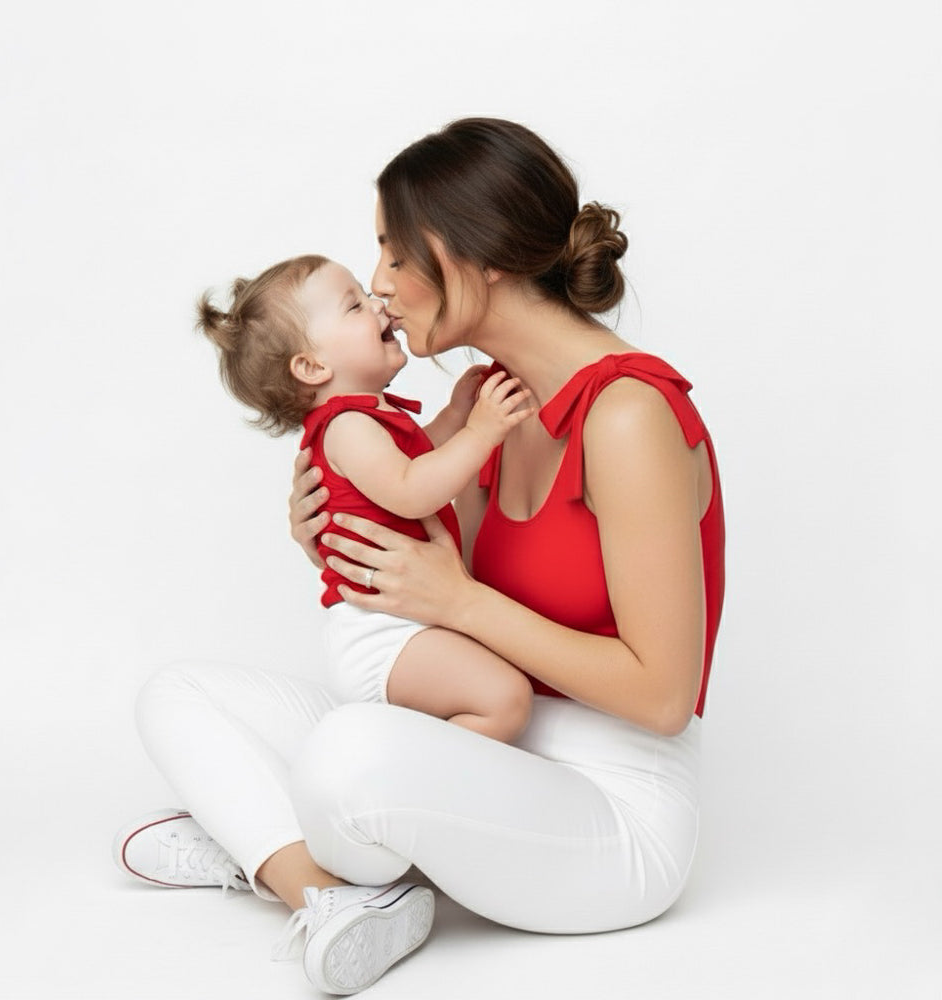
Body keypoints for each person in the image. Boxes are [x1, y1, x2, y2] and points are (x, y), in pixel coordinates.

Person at [114, 117, 725, 997]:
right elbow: (442, 585)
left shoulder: (628, 415)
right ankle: (320, 891)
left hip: (616, 813)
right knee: (179, 696)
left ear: (480, 261)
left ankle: (272, 838)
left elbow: (664, 698)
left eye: (396, 255)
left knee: (346, 756)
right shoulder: (492, 408)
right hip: (494, 738)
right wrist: (341, 539)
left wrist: (459, 603)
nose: (379, 284)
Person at [194, 254, 535, 742]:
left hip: (404, 622)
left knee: (500, 694)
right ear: (312, 366)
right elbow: (414, 490)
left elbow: (421, 461)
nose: (378, 304)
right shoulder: (347, 427)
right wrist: (481, 433)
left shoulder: (365, 420)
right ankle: (414, 791)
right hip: (384, 636)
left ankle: (402, 772)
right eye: (354, 305)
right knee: (504, 700)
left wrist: (458, 415)